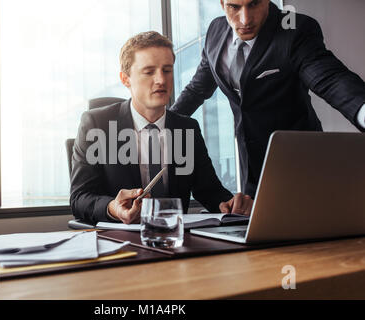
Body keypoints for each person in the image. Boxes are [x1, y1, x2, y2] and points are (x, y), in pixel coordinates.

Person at [171, 0, 365, 197]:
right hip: (252, 174)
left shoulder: (294, 29)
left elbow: (330, 79)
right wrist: (161, 125)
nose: (245, 19)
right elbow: (197, 89)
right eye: (234, 7)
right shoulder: (215, 30)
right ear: (222, 3)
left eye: (254, 4)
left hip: (303, 168)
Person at [70, 31, 253, 225]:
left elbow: (209, 191)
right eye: (149, 72)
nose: (161, 80)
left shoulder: (187, 129)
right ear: (125, 79)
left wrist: (231, 204)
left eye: (167, 70)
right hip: (118, 240)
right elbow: (80, 198)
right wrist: (112, 208)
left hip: (175, 241)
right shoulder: (97, 124)